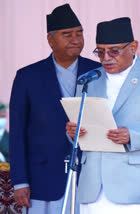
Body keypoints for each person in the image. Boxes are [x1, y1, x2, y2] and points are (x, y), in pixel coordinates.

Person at [66, 17, 140, 214]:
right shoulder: (88, 80)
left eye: (114, 51)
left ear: (133, 47)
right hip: (93, 188)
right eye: (100, 52)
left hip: (138, 188)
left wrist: (132, 135)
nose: (106, 58)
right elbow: (80, 134)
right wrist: (73, 133)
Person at [9, 3, 100, 214]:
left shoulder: (98, 72)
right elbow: (17, 134)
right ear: (50, 40)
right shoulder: (27, 76)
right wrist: (20, 181)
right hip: (43, 181)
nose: (75, 39)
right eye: (67, 34)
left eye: (79, 33)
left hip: (90, 180)